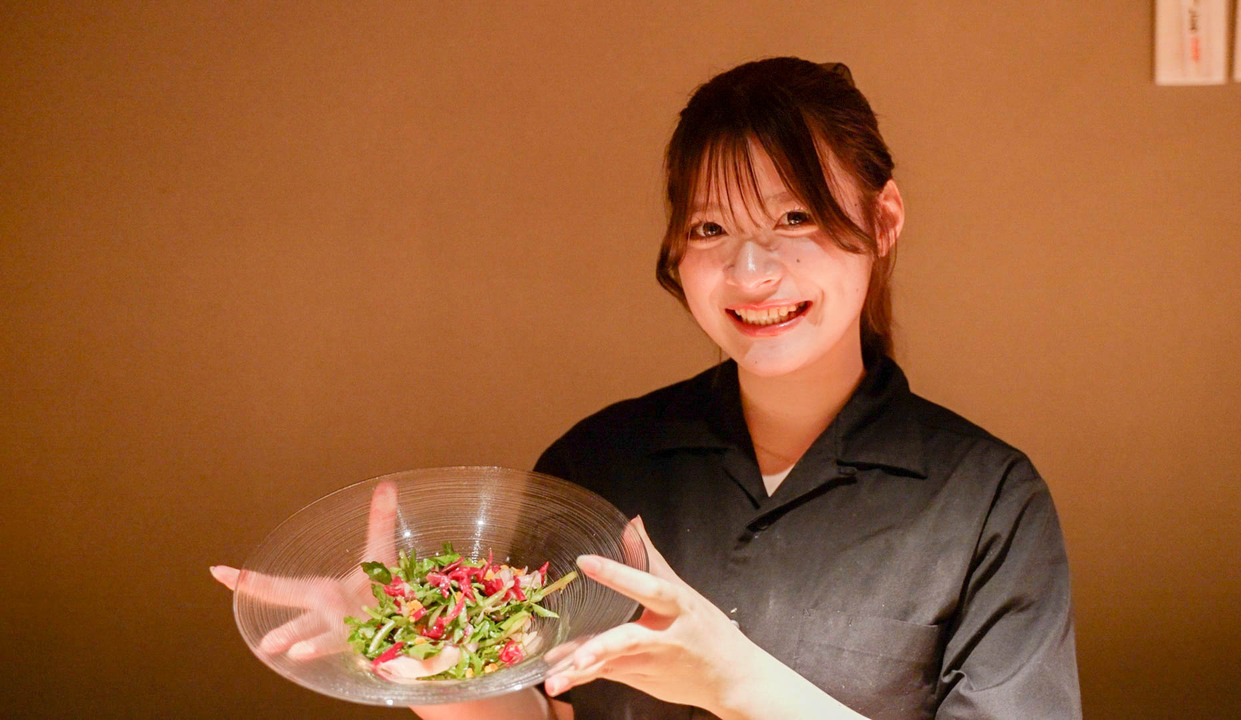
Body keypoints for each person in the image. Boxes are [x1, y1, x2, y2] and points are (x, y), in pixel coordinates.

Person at [214, 56, 1081, 720]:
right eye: (710, 228)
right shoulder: (596, 464)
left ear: (882, 220)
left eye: (794, 217)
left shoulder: (988, 502)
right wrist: (425, 653)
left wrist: (733, 679)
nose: (752, 271)